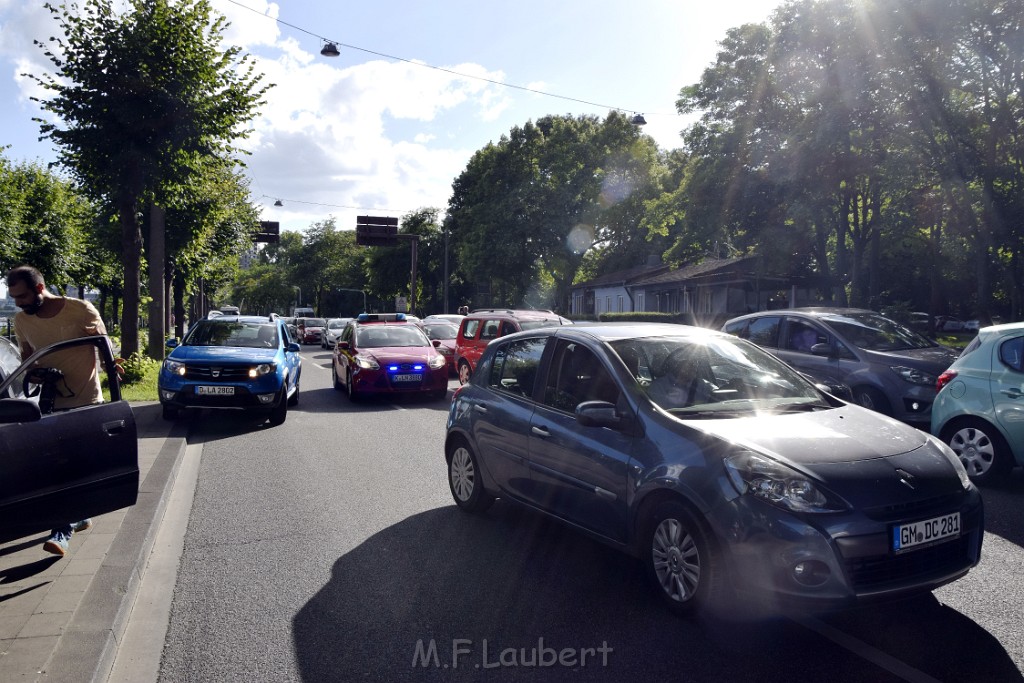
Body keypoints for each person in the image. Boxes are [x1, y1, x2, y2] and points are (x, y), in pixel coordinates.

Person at [6, 265, 108, 557]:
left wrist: (113, 367)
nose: (19, 303)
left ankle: (64, 527)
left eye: (22, 296)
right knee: (59, 469)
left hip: (87, 402)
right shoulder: (21, 321)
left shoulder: (80, 310)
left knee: (74, 468)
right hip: (50, 405)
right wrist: (36, 375)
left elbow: (103, 346)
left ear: (39, 288)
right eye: (14, 298)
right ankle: (72, 520)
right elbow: (27, 361)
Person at [647, 349, 717, 409]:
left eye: (695, 363)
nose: (693, 367)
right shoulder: (659, 387)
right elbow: (657, 415)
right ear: (676, 365)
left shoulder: (703, 386)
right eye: (688, 364)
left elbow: (718, 395)